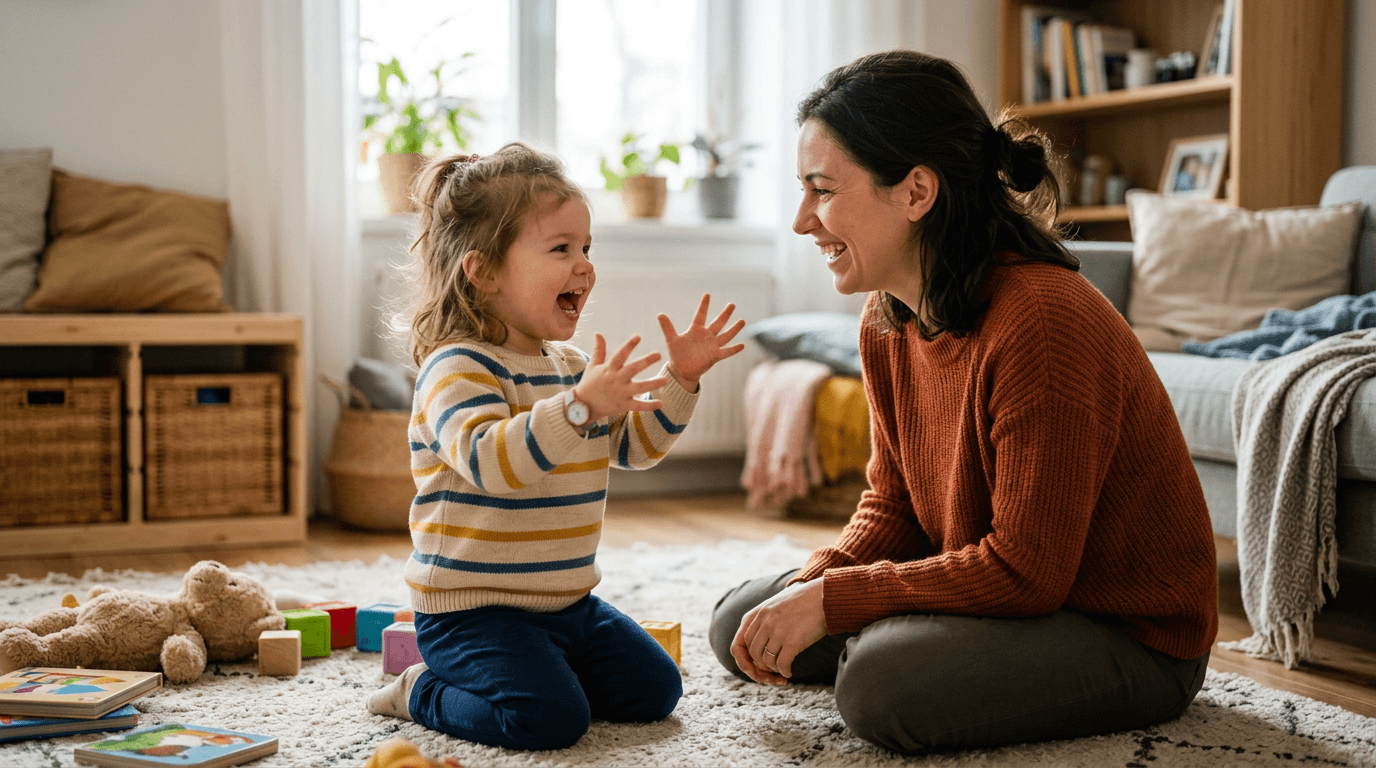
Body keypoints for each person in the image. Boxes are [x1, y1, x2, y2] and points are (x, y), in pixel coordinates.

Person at [709, 50, 1218, 753]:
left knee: (880, 686)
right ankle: (902, 636)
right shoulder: (887, 319)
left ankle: (905, 644)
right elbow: (892, 507)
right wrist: (818, 583)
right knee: (741, 620)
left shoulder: (1043, 321)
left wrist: (837, 602)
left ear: (916, 192)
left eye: (822, 191)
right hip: (1017, 604)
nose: (803, 221)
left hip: (1127, 635)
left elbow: (1027, 572)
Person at [367, 142, 745, 750]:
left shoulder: (571, 367)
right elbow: (494, 462)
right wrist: (577, 407)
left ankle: (543, 672)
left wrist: (682, 381)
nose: (586, 266)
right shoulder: (455, 367)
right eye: (561, 249)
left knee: (656, 691)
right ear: (484, 271)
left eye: (587, 248)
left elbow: (635, 449)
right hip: (472, 614)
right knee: (548, 721)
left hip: (567, 603)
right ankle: (420, 690)